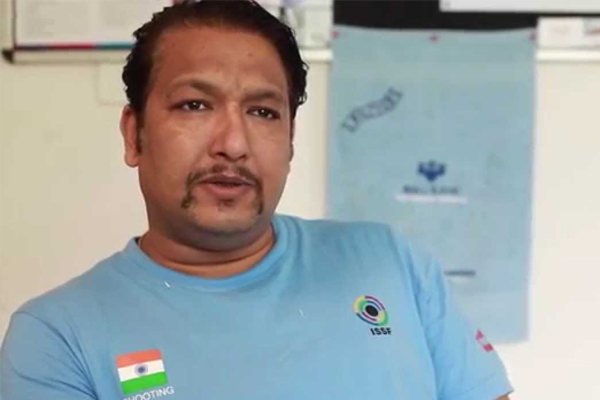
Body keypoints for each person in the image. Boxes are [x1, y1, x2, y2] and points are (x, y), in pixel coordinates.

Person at [0, 1, 513, 399]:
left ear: (290, 142)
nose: (233, 143)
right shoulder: (56, 337)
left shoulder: (390, 263)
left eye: (264, 112)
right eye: (194, 104)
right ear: (134, 136)